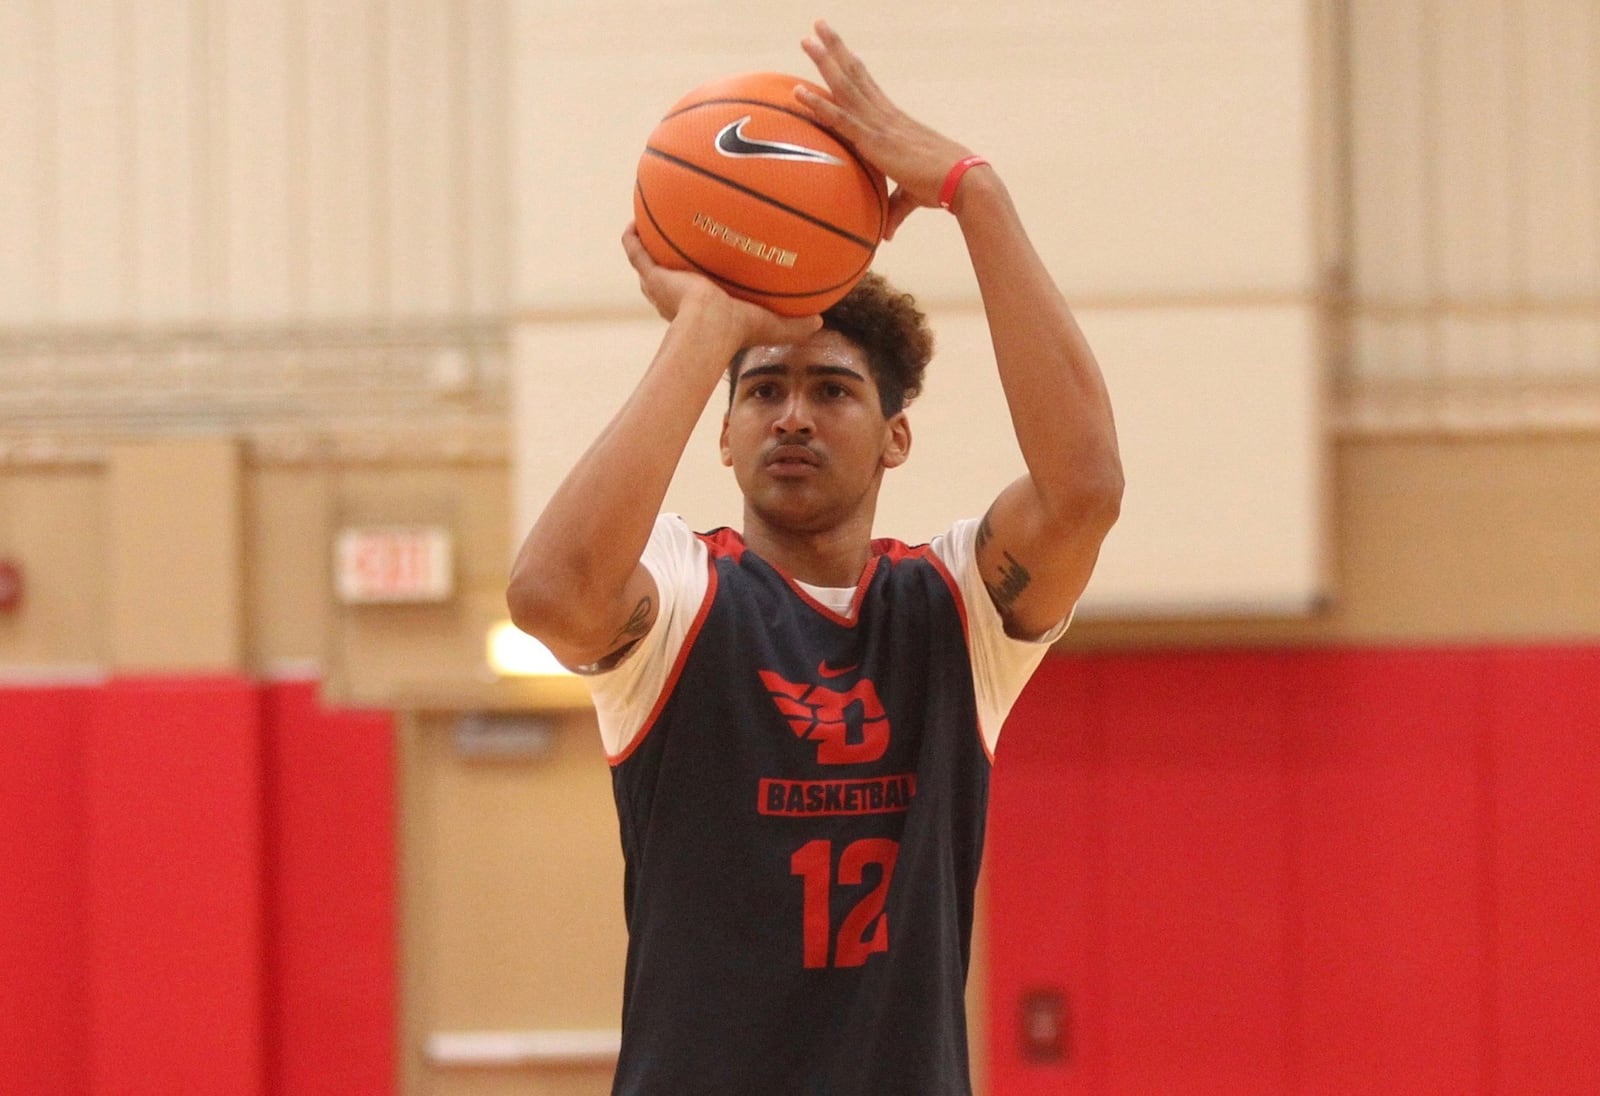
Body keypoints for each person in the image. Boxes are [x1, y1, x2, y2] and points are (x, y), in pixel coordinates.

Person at [507, 19, 1122, 1096]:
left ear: (894, 434)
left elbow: (1084, 491)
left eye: (831, 389)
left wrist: (974, 192)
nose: (793, 416)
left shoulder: (951, 611)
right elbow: (548, 595)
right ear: (724, 431)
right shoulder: (686, 596)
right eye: (764, 389)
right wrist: (707, 327)